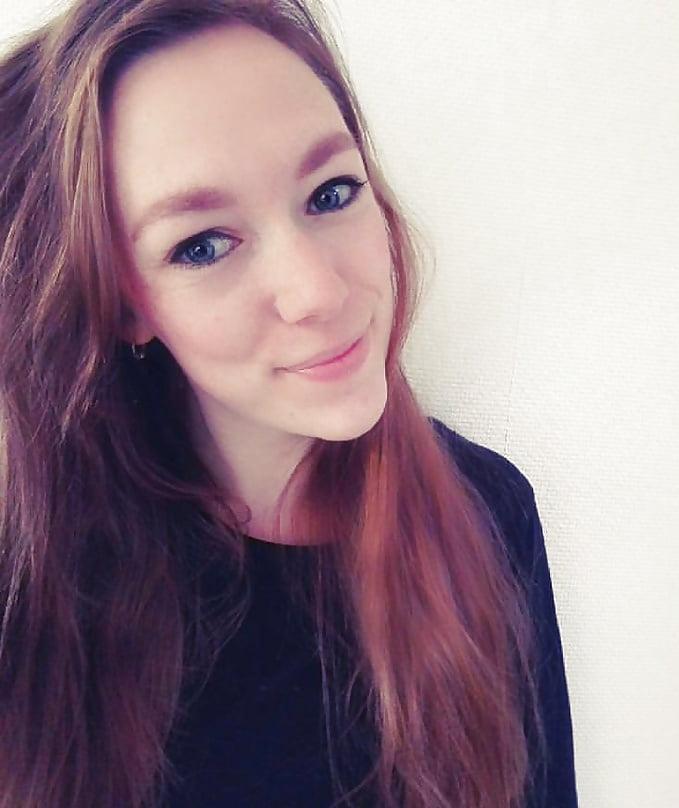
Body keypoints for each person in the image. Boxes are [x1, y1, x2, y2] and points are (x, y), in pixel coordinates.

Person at [0, 2, 578, 806]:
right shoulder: (35, 586)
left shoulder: (487, 510)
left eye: (331, 192)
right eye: (202, 245)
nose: (318, 292)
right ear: (124, 304)